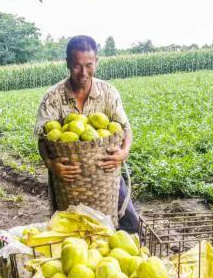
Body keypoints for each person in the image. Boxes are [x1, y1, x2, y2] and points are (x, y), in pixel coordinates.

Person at [33, 35, 139, 232]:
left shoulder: (108, 92)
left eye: (89, 65)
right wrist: (51, 164)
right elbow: (42, 139)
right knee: (71, 229)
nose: (83, 72)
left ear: (96, 61)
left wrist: (124, 152)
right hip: (68, 177)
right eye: (76, 65)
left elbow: (126, 129)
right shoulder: (53, 97)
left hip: (106, 173)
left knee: (130, 223)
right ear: (67, 63)